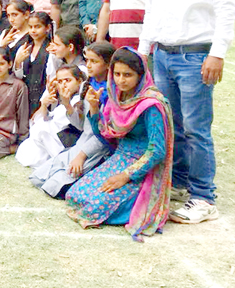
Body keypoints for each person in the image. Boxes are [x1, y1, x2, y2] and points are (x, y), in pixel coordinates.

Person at [139, 0, 235, 224]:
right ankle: (179, 184)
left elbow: (225, 8)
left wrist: (217, 53)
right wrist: (144, 52)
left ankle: (203, 196)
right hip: (163, 56)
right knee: (173, 126)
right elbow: (151, 11)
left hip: (196, 57)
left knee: (196, 129)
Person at [66, 48, 173, 241]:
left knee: (95, 207)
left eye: (128, 75)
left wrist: (126, 176)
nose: (121, 80)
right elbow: (105, 134)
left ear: (141, 76)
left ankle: (138, 202)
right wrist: (95, 109)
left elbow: (157, 150)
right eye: (117, 74)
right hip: (120, 158)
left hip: (143, 167)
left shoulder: (151, 104)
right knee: (75, 195)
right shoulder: (117, 96)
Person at [29, 42, 116, 198]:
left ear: (108, 64)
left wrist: (82, 156)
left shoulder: (113, 93)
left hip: (99, 148)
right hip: (82, 142)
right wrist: (67, 103)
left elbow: (104, 134)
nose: (88, 65)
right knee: (38, 178)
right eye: (87, 60)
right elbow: (82, 126)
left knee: (54, 188)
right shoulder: (86, 85)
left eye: (94, 61)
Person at [16, 65, 86, 169]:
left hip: (69, 140)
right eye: (60, 81)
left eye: (68, 80)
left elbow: (75, 124)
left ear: (79, 81)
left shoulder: (79, 101)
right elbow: (44, 119)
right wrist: (44, 105)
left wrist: (67, 105)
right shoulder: (62, 99)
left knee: (41, 130)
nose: (64, 85)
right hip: (53, 139)